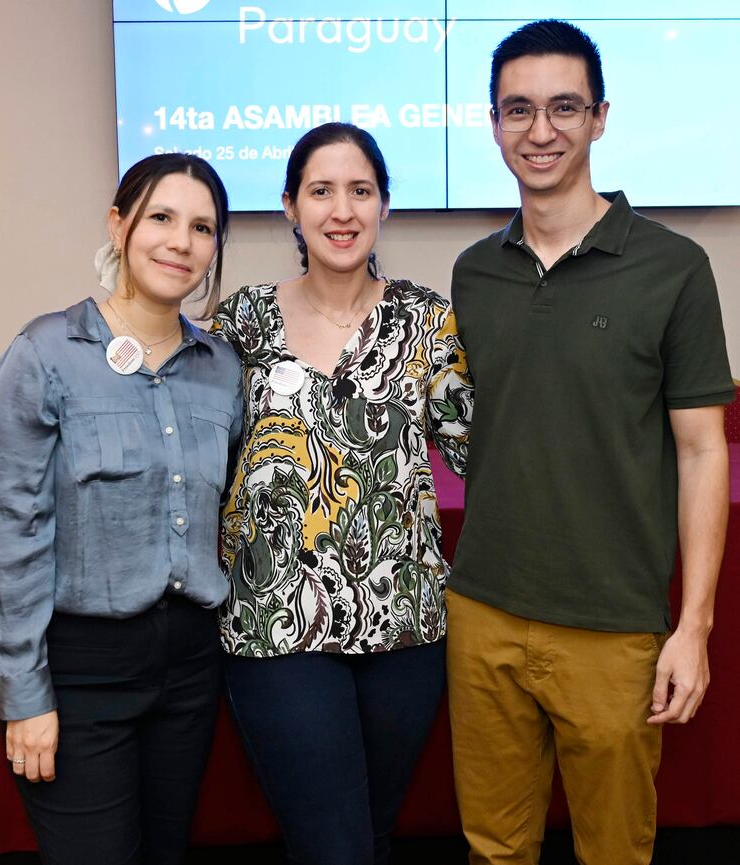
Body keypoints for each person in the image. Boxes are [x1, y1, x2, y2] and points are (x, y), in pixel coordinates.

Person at [446, 18, 735, 865]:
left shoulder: (673, 267)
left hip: (612, 627)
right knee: (494, 849)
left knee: (615, 851)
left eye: (564, 107)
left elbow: (703, 450)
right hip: (484, 613)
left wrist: (694, 626)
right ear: (493, 123)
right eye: (519, 110)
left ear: (600, 117)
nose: (541, 131)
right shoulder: (474, 271)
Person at [211, 122, 472, 865]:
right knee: (336, 848)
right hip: (276, 626)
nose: (342, 209)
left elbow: (483, 445)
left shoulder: (426, 320)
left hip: (407, 629)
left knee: (367, 835)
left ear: (385, 204)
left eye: (360, 190)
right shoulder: (244, 322)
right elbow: (188, 445)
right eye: (321, 191)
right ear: (290, 206)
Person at [0, 153, 242, 865]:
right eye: (160, 217)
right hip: (80, 668)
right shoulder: (45, 354)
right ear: (119, 225)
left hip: (189, 665)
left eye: (202, 227)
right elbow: (11, 535)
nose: (180, 242)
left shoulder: (222, 369)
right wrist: (25, 695)